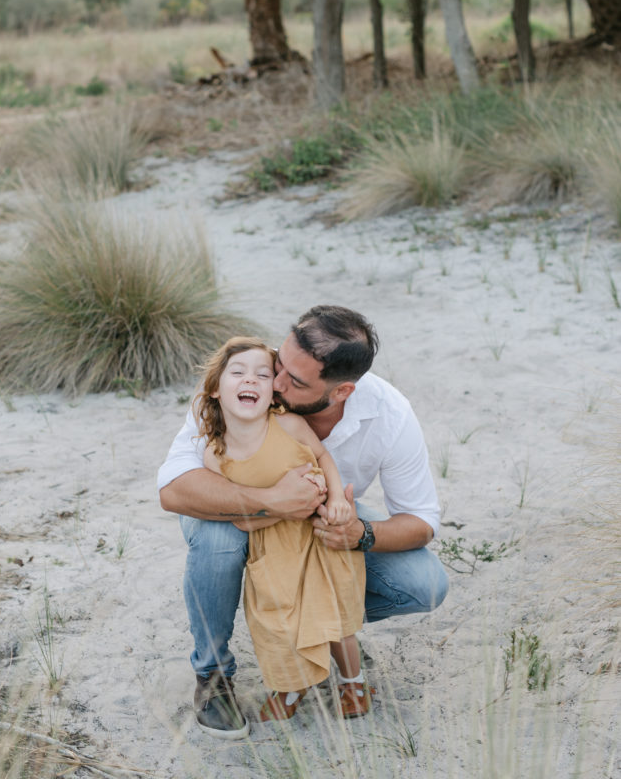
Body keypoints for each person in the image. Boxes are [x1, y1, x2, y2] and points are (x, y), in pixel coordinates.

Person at [158, 305, 449, 739]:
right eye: (280, 363)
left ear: (341, 391)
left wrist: (360, 533)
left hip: (322, 526)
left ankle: (318, 631)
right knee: (218, 541)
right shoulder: (244, 380)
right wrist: (269, 502)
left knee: (424, 584)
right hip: (241, 518)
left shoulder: (389, 414)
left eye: (294, 381)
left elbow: (422, 521)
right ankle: (214, 676)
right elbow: (174, 491)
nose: (273, 382)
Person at [195, 336, 368, 726]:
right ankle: (293, 685)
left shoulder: (289, 424)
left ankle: (353, 682)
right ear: (215, 389)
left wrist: (338, 498)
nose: (251, 381)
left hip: (319, 539)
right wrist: (282, 508)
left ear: (273, 389)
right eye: (237, 373)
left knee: (335, 616)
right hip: (273, 550)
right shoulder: (214, 454)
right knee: (280, 624)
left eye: (262, 374)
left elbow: (324, 457)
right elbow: (237, 517)